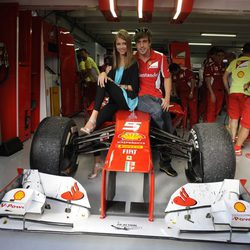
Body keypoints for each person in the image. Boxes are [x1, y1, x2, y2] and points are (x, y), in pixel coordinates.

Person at [81, 29, 139, 178]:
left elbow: (134, 88)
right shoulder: (113, 61)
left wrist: (115, 84)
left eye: (124, 43)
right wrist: (104, 73)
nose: (121, 47)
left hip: (128, 100)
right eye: (118, 44)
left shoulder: (133, 63)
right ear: (115, 45)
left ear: (128, 45)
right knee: (94, 129)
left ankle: (92, 118)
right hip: (114, 101)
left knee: (103, 79)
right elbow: (107, 85)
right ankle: (98, 162)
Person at [134, 28, 177, 177]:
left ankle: (165, 162)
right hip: (138, 98)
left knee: (167, 127)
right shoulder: (132, 58)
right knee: (158, 112)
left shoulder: (160, 57)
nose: (142, 45)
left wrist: (167, 98)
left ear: (150, 42)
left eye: (144, 41)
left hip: (157, 98)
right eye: (138, 42)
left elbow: (167, 77)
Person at [223, 43, 250, 143]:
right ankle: (239, 142)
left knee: (234, 118)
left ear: (243, 51)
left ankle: (232, 139)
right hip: (246, 93)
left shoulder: (234, 62)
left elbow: (224, 77)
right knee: (244, 118)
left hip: (233, 92)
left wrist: (228, 90)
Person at [169, 63, 198, 129]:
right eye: (172, 72)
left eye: (174, 71)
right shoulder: (174, 74)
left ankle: (193, 126)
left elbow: (193, 81)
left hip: (191, 92)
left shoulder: (186, 71)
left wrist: (191, 92)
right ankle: (183, 125)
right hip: (182, 93)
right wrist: (175, 92)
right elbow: (173, 82)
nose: (174, 73)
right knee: (183, 109)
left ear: (177, 69)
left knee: (192, 110)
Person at [204, 47, 225, 122]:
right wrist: (212, 93)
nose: (220, 57)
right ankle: (210, 128)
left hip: (221, 92)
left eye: (222, 56)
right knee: (211, 110)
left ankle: (211, 124)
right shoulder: (210, 66)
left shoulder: (224, 66)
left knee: (217, 110)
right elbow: (207, 80)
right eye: (218, 55)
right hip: (213, 91)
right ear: (215, 56)